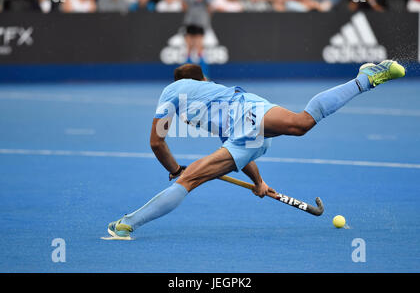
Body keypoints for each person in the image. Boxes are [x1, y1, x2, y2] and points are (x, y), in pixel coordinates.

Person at [105, 60, 406, 240]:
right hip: (250, 108)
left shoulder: (173, 90)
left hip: (245, 114)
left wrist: (174, 170)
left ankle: (127, 224)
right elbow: (235, 148)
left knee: (188, 180)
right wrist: (258, 182)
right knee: (301, 124)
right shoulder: (211, 92)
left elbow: (157, 141)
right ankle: (364, 79)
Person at [181, 0, 212, 75]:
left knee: (199, 47)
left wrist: (204, 19)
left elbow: (209, 7)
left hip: (200, 22)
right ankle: (186, 75)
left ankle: (203, 74)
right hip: (189, 21)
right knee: (189, 47)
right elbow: (184, 6)